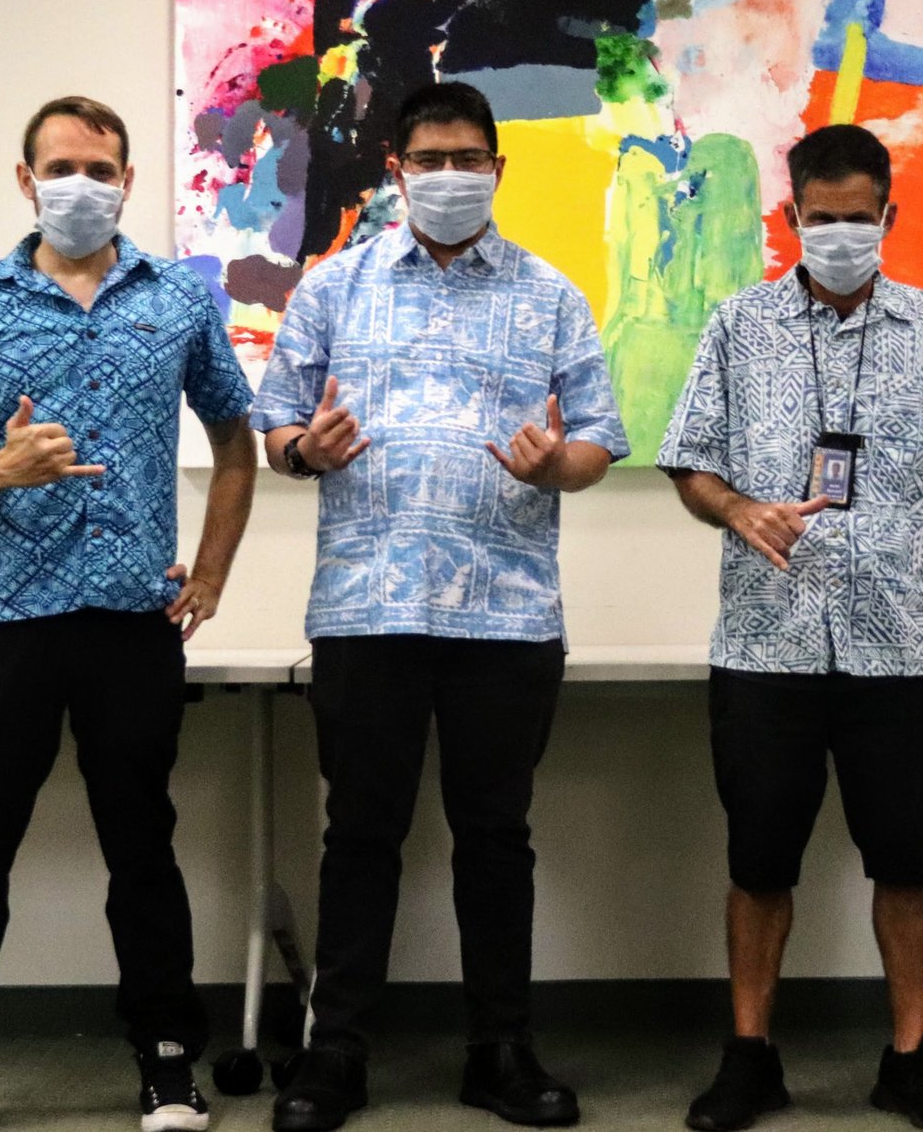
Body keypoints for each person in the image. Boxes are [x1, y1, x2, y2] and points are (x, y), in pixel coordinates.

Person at [251, 82, 629, 1132]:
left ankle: (498, 1052)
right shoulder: (334, 288)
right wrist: (300, 452)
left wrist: (561, 464)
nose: (450, 176)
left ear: (498, 171)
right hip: (365, 609)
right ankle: (336, 1056)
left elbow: (598, 438)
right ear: (395, 168)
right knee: (359, 838)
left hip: (505, 616)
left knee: (495, 838)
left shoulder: (550, 295)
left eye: (470, 158)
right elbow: (276, 427)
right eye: (431, 159)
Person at [0, 96, 258, 1132]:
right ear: (24, 180)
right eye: (61, 167)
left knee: (143, 849)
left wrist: (213, 571)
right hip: (3, 621)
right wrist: (0, 466)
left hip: (131, 625)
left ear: (129, 180)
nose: (80, 186)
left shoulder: (177, 304)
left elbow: (237, 445)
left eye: (100, 169)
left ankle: (168, 1064)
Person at [657, 124, 923, 1132]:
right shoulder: (735, 325)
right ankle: (749, 1055)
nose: (841, 235)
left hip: (896, 650)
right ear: (791, 218)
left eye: (860, 219)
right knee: (757, 862)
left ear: (888, 216)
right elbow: (689, 463)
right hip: (764, 646)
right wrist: (735, 508)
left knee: (908, 863)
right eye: (823, 220)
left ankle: (909, 1057)